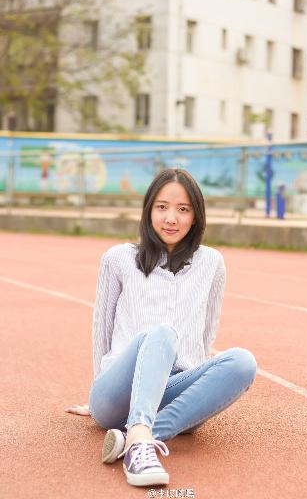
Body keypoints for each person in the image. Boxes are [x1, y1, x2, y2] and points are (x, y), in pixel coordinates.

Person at [66, 168, 257, 488]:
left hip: (171, 391)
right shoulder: (119, 258)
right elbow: (102, 326)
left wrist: (199, 384)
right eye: (162, 207)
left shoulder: (212, 263)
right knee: (162, 334)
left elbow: (207, 332)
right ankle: (139, 435)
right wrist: (99, 387)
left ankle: (138, 438)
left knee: (242, 361)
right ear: (148, 211)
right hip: (117, 393)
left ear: (196, 217)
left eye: (183, 209)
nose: (171, 218)